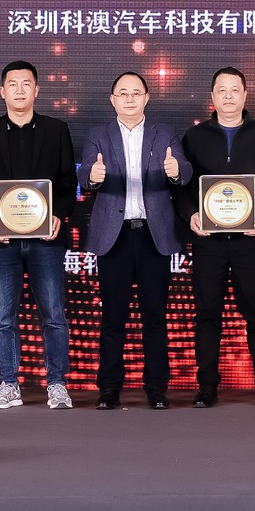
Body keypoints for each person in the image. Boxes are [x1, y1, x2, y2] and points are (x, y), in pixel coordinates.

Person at [175, 67, 255, 408]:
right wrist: (190, 215)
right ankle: (207, 387)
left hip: (249, 241)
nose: (228, 96)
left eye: (234, 90)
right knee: (207, 314)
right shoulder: (193, 137)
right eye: (221, 90)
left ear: (244, 95)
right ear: (212, 96)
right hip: (207, 241)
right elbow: (180, 187)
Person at [0, 61, 77, 410]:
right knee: (3, 318)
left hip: (47, 240)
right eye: (12, 84)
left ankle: (57, 384)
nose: (19, 89)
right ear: (2, 91)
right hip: (2, 242)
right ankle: (8, 384)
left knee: (54, 315)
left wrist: (58, 215)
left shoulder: (57, 130)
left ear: (36, 90)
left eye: (26, 83)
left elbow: (68, 182)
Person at [82, 71, 192, 410]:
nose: (129, 99)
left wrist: (175, 171)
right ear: (112, 99)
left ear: (146, 98)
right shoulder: (98, 135)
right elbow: (84, 174)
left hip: (153, 234)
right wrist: (92, 176)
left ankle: (156, 388)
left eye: (136, 93)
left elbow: (185, 170)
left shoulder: (165, 133)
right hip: (113, 236)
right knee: (113, 318)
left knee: (154, 316)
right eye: (123, 93)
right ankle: (109, 388)